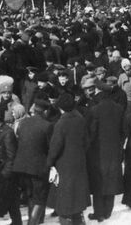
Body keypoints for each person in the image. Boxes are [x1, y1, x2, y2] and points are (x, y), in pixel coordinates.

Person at [45, 93, 90, 225]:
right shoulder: (81, 119)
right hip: (79, 164)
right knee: (77, 202)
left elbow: (55, 147)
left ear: (61, 108)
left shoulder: (61, 123)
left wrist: (49, 163)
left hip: (64, 167)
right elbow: (87, 141)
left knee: (64, 205)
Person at [86, 79, 125, 221]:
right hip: (114, 151)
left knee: (98, 182)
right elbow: (123, 131)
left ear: (100, 92)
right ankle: (108, 211)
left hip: (98, 152)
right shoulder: (119, 109)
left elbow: (92, 133)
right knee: (111, 181)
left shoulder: (95, 110)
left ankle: (99, 212)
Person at [13, 99, 52, 225]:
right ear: (45, 111)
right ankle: (33, 223)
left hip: (21, 166)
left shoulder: (23, 123)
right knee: (40, 198)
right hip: (38, 167)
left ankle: (37, 220)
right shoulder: (47, 125)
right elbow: (50, 147)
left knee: (30, 195)